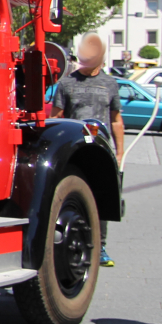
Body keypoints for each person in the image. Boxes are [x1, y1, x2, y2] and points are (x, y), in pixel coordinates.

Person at [50, 34, 123, 267]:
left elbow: (116, 120)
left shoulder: (110, 83)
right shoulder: (67, 83)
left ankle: (100, 247)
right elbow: (57, 116)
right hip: (75, 152)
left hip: (102, 150)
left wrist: (119, 152)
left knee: (102, 199)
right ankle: (66, 242)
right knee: (72, 196)